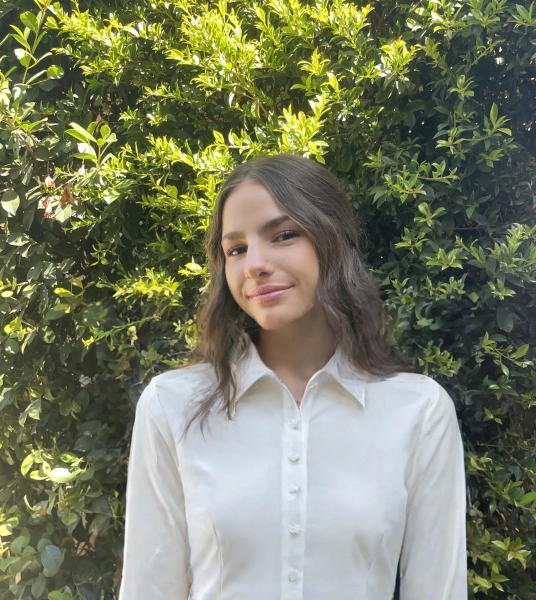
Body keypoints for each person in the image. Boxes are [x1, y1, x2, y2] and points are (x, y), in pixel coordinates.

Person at [119, 154, 467, 600]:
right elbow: (149, 588)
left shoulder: (418, 412)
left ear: (332, 240)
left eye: (283, 235)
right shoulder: (173, 406)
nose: (254, 264)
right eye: (236, 249)